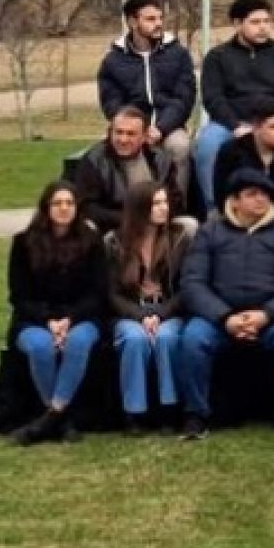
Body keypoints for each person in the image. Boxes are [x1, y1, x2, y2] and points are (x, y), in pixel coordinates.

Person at [176, 168, 274, 441]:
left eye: (265, 194)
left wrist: (267, 314)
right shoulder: (210, 232)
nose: (260, 199)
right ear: (234, 201)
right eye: (252, 194)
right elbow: (192, 283)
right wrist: (225, 317)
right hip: (219, 317)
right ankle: (196, 415)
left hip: (273, 316)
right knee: (193, 338)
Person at [6, 182, 108, 445]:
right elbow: (19, 296)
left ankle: (48, 419)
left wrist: (69, 320)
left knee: (78, 342)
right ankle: (62, 421)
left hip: (82, 317)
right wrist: (48, 321)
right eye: (57, 203)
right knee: (40, 346)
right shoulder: (23, 243)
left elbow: (98, 293)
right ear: (46, 207)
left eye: (69, 203)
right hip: (34, 318)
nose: (64, 208)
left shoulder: (92, 242)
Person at [192, 0, 274, 217]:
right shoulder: (217, 56)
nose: (263, 27)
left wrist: (270, 123)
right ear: (237, 24)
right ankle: (215, 210)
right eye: (255, 22)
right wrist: (236, 126)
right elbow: (213, 97)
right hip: (230, 123)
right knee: (207, 145)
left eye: (267, 21)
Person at [106, 180, 194, 433]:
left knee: (166, 337)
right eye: (156, 203)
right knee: (134, 339)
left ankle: (169, 409)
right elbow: (112, 294)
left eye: (165, 202)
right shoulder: (114, 242)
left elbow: (187, 287)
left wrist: (159, 313)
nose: (164, 208)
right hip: (130, 311)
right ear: (139, 207)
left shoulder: (180, 238)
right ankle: (134, 413)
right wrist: (140, 315)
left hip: (169, 309)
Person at [97, 0, 195, 166]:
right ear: (132, 22)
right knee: (103, 154)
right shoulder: (113, 61)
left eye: (160, 18)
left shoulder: (178, 54)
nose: (158, 23)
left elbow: (183, 99)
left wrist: (161, 128)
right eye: (151, 19)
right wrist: (136, 129)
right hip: (129, 129)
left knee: (180, 146)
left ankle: (175, 186)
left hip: (169, 128)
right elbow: (111, 102)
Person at [69, 105, 189, 233]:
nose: (123, 139)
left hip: (155, 225)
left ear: (144, 136)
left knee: (189, 225)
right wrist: (129, 219)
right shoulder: (94, 160)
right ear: (110, 133)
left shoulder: (161, 161)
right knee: (88, 226)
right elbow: (87, 207)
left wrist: (155, 216)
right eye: (119, 132)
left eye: (131, 134)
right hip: (113, 229)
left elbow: (176, 202)